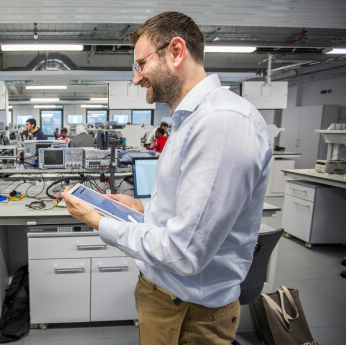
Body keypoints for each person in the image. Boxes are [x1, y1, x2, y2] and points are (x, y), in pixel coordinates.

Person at [62, 11, 271, 345]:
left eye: (140, 64)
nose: (136, 79)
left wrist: (100, 222)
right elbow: (189, 212)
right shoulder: (192, 120)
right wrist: (142, 208)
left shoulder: (222, 123)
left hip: (188, 312)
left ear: (176, 52)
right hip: (172, 303)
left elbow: (185, 253)